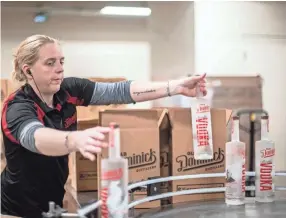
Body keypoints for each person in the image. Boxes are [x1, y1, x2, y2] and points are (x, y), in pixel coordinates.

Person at [1, 34, 207, 217]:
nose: (60, 68)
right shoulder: (17, 107)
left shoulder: (68, 90)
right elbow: (35, 138)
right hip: (14, 210)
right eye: (50, 63)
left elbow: (120, 91)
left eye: (61, 61)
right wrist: (73, 139)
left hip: (51, 204)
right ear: (28, 71)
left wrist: (175, 86)